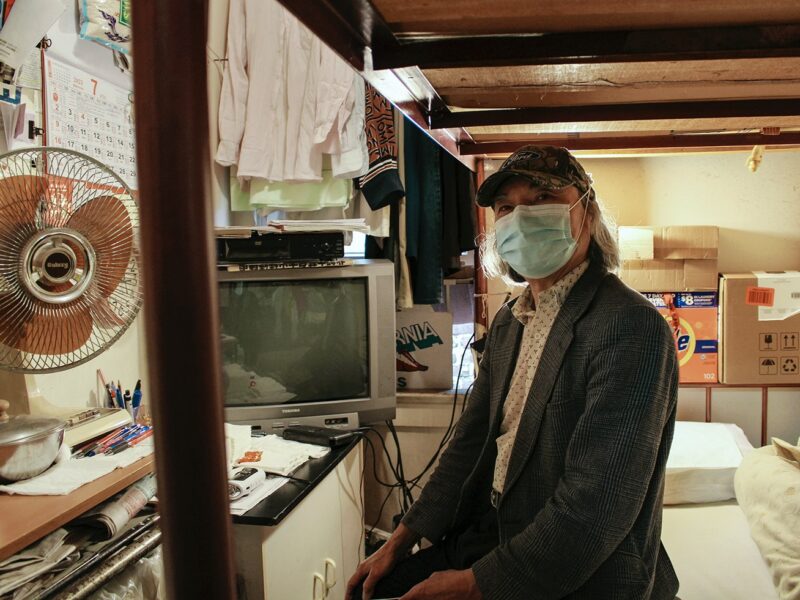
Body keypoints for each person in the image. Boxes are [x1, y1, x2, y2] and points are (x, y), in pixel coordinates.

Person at [346, 145, 679, 600]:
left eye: (542, 198)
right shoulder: (510, 320)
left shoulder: (631, 326)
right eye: (507, 207)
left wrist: (475, 585)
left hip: (582, 568)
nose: (522, 216)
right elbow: (470, 442)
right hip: (494, 530)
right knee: (372, 589)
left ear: (586, 211)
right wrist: (401, 538)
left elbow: (599, 502)